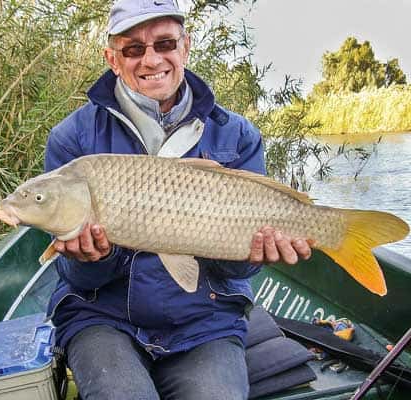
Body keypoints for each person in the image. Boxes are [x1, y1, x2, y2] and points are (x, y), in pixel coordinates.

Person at [43, 1, 312, 399]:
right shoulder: (74, 140)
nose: (151, 59)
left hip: (206, 319)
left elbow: (237, 274)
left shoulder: (236, 135)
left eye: (165, 43)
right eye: (133, 48)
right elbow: (78, 278)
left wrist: (255, 253)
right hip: (102, 317)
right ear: (112, 59)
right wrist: (91, 257)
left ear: (185, 47)